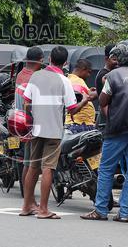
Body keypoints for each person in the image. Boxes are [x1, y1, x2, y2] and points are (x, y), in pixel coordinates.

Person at [81, 40, 128, 223]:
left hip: (117, 128)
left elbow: (102, 101)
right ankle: (124, 213)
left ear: (122, 56)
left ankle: (100, 210)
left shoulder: (113, 76)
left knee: (106, 168)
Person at [21, 47, 89, 219]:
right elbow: (72, 109)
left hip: (36, 129)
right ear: (65, 63)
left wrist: (34, 119)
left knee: (33, 167)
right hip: (53, 131)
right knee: (48, 168)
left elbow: (26, 102)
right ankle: (43, 209)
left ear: (49, 58)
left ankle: (27, 205)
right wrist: (87, 100)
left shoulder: (36, 76)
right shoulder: (64, 81)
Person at [66, 59, 97, 131]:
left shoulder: (70, 79)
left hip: (77, 123)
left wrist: (88, 90)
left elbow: (82, 95)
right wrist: (104, 90)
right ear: (83, 69)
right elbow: (90, 96)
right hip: (79, 124)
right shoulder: (76, 80)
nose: (89, 75)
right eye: (88, 72)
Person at [14, 47, 44, 113]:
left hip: (18, 116)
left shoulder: (19, 74)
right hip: (29, 120)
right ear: (41, 61)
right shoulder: (37, 79)